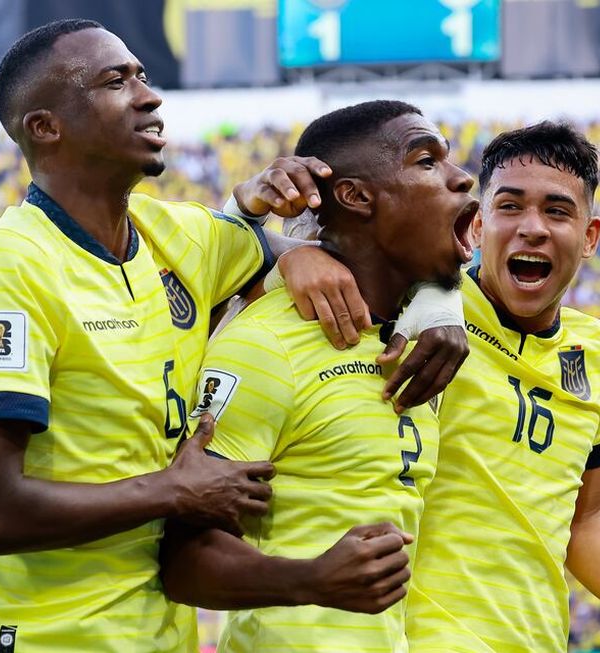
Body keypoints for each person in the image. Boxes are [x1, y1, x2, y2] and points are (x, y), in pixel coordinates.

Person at [0, 19, 412, 653]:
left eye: (144, 77)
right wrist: (173, 490)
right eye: (114, 82)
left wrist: (425, 303)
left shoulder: (174, 235)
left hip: (154, 635)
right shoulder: (8, 260)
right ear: (46, 126)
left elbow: (336, 255)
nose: (149, 96)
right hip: (30, 634)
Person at [159, 100, 479, 653]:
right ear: (356, 197)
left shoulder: (419, 344)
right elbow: (184, 558)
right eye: (426, 161)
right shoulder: (266, 345)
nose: (462, 177)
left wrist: (445, 299)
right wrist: (311, 580)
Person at [403, 122, 600, 652]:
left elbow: (587, 519)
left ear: (589, 237)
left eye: (556, 211)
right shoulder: (423, 305)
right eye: (510, 206)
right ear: (477, 223)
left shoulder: (596, 348)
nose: (532, 227)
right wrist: (301, 259)